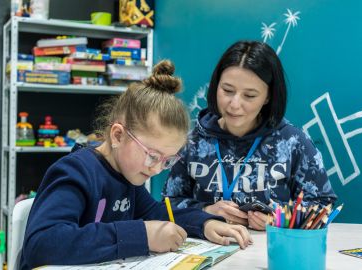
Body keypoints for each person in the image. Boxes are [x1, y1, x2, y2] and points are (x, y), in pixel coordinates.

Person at [20, 60, 252, 269]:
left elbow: (158, 214)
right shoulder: (76, 172)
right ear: (118, 136)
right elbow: (42, 244)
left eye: (168, 160)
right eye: (152, 155)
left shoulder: (127, 175)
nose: (156, 169)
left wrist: (204, 223)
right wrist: (142, 235)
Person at [163, 41, 337, 231]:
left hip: (268, 252)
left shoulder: (292, 142)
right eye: (227, 91)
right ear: (215, 86)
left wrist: (278, 221)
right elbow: (166, 204)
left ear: (268, 97)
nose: (234, 104)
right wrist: (205, 210)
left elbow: (322, 204)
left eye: (250, 96)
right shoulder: (192, 140)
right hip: (207, 248)